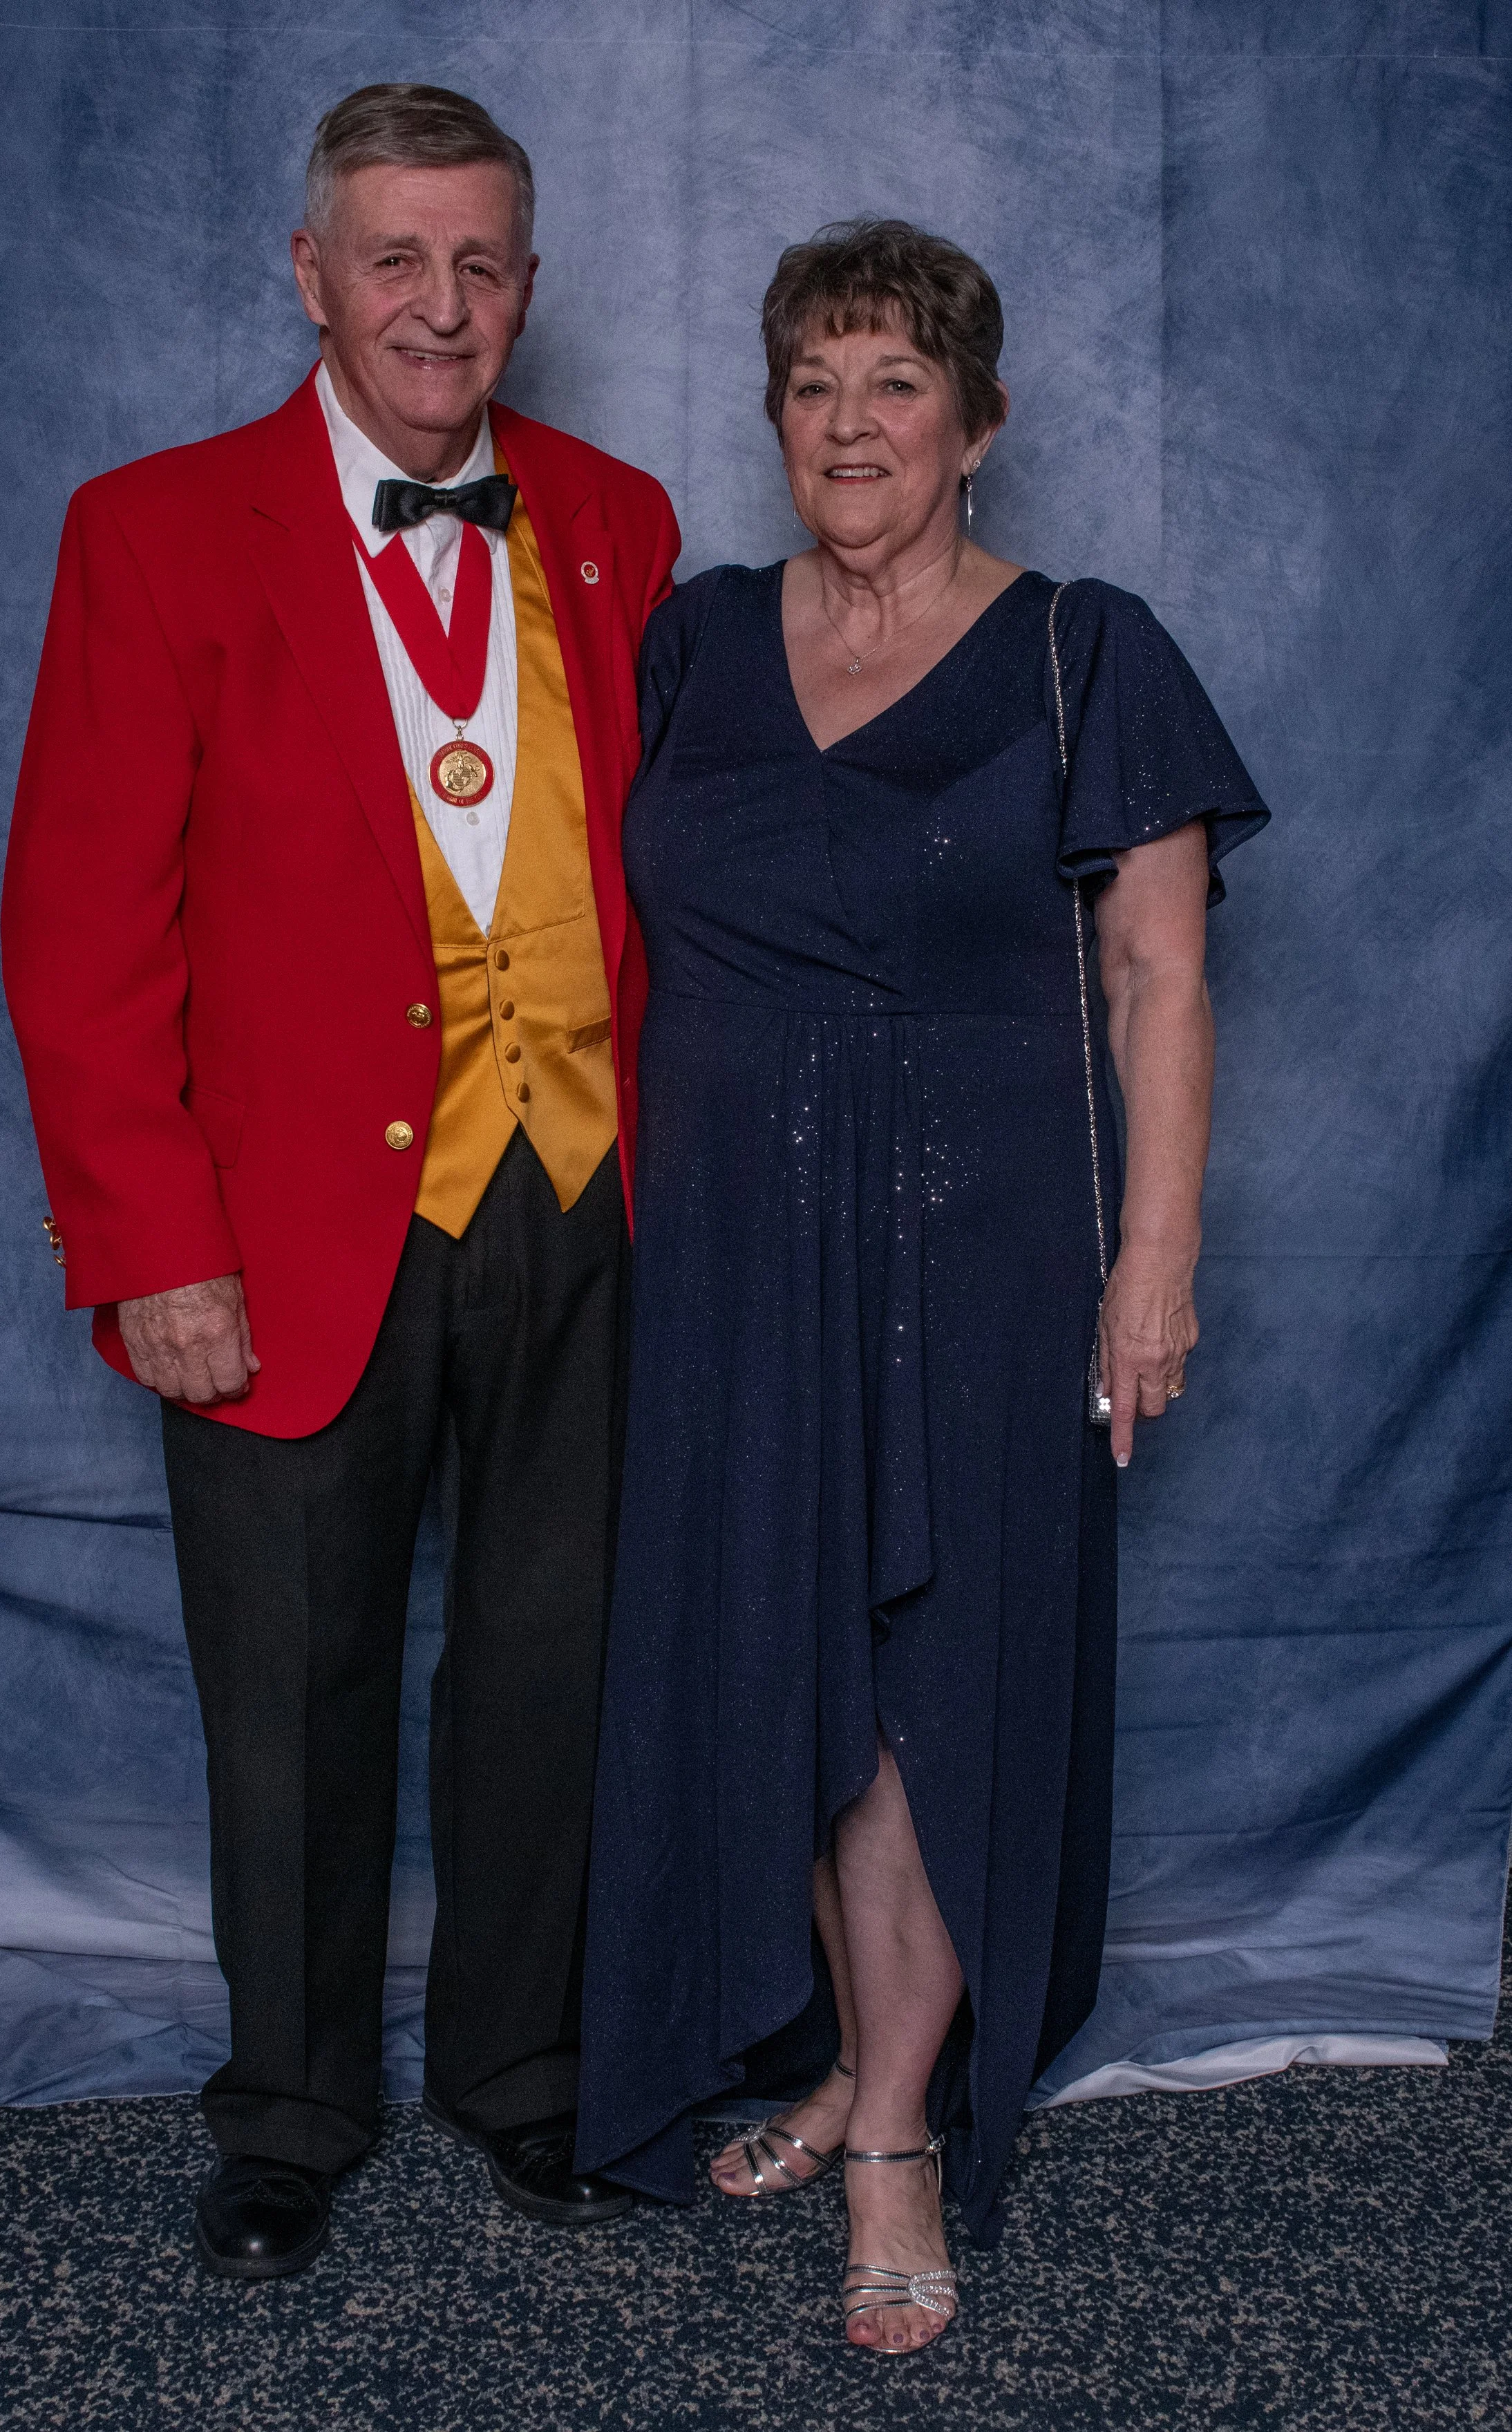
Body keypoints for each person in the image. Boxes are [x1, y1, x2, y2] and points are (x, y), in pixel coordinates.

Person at [1, 84, 679, 2279]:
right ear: (309, 275)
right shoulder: (154, 528)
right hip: (281, 1221)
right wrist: (150, 1241)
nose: (439, 302)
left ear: (528, 289)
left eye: (480, 261)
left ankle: (523, 2072)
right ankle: (288, 2107)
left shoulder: (621, 519)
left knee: (550, 1656)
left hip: (579, 1191)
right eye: (394, 257)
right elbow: (78, 928)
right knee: (289, 1678)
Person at [576, 218, 1269, 2353]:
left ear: (978, 421)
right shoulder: (692, 641)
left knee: (935, 1684)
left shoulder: (1082, 647)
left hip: (985, 1251)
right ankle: (847, 2050)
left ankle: (892, 2125)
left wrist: (1149, 1261)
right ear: (773, 416)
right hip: (722, 1254)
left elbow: (1158, 965)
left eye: (894, 384)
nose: (851, 423)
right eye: (814, 384)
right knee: (782, 1656)